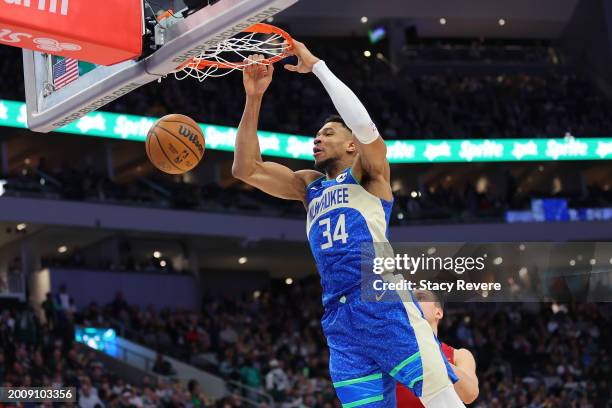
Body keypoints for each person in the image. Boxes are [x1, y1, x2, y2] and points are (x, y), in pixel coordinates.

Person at [231, 39, 464, 407]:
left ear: (352, 146)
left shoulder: (369, 175)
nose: (317, 138)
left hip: (382, 302)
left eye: (328, 133)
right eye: (317, 134)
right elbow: (246, 168)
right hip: (340, 319)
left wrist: (318, 67)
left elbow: (364, 126)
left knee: (441, 401)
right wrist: (254, 96)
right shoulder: (309, 186)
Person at [397, 290, 479, 406]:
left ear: (438, 312)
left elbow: (470, 394)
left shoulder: (459, 355)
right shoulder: (390, 354)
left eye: (420, 297)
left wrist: (432, 354)